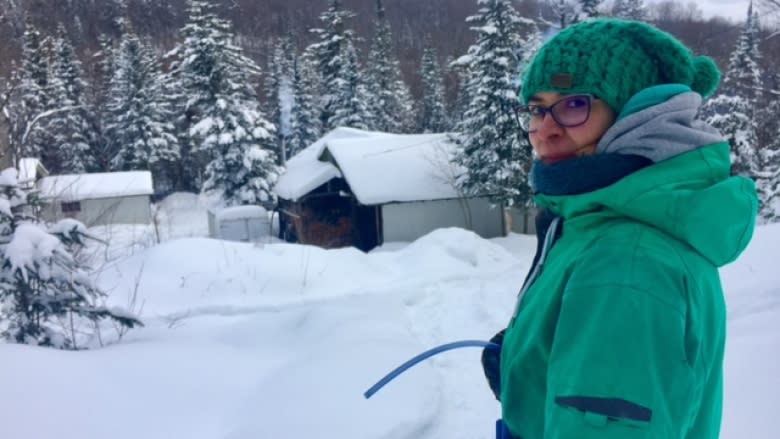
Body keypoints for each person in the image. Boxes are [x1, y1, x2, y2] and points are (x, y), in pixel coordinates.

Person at [481, 18, 758, 439]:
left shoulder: (625, 262)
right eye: (538, 109)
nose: (546, 130)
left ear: (634, 114)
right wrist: (530, 365)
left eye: (574, 105)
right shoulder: (605, 222)